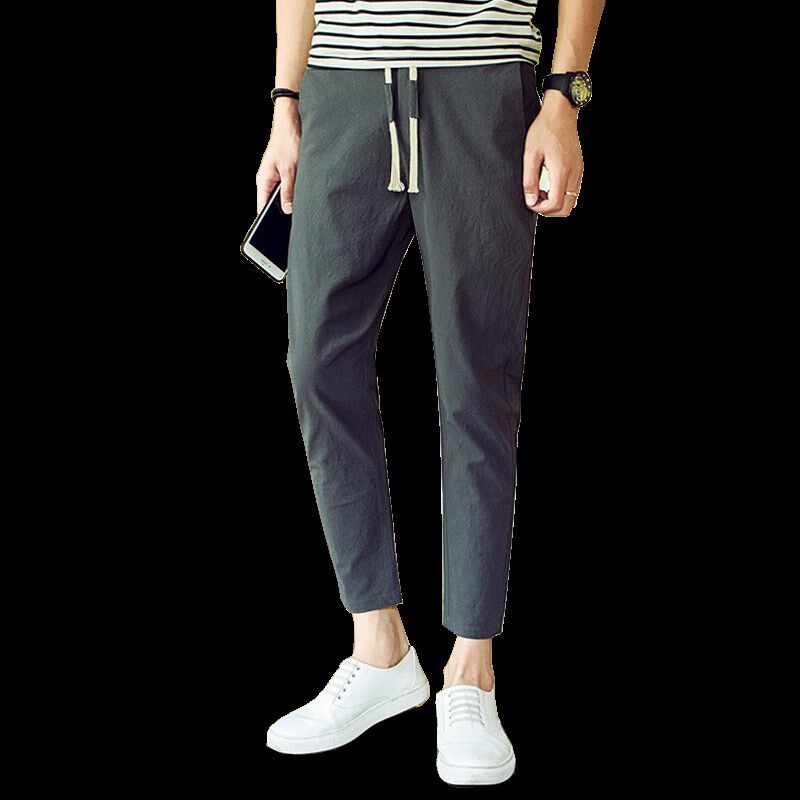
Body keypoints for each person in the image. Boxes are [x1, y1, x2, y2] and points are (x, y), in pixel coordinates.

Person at [258, 0, 605, 785]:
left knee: (477, 376)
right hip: (341, 85)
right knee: (316, 361)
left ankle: (471, 672)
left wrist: (564, 96)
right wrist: (285, 101)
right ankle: (379, 649)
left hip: (480, 82)